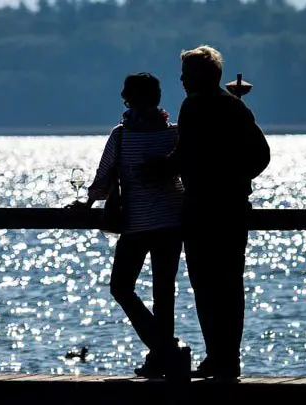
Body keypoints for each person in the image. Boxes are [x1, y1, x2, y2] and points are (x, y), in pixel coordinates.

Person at [145, 45, 270, 379]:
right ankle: (229, 358)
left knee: (205, 285)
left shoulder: (194, 106)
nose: (182, 80)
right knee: (230, 285)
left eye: (186, 74)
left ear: (201, 76)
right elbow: (261, 155)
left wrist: (151, 169)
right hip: (234, 209)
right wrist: (238, 180)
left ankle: (217, 355)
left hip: (201, 209)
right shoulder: (236, 107)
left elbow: (182, 156)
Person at [69, 73, 185, 378]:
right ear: (157, 98)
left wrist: (86, 203)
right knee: (164, 292)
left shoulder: (121, 135)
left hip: (136, 223)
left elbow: (103, 178)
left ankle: (162, 350)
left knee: (121, 287)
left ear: (128, 99)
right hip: (172, 220)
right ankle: (164, 351)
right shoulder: (175, 134)